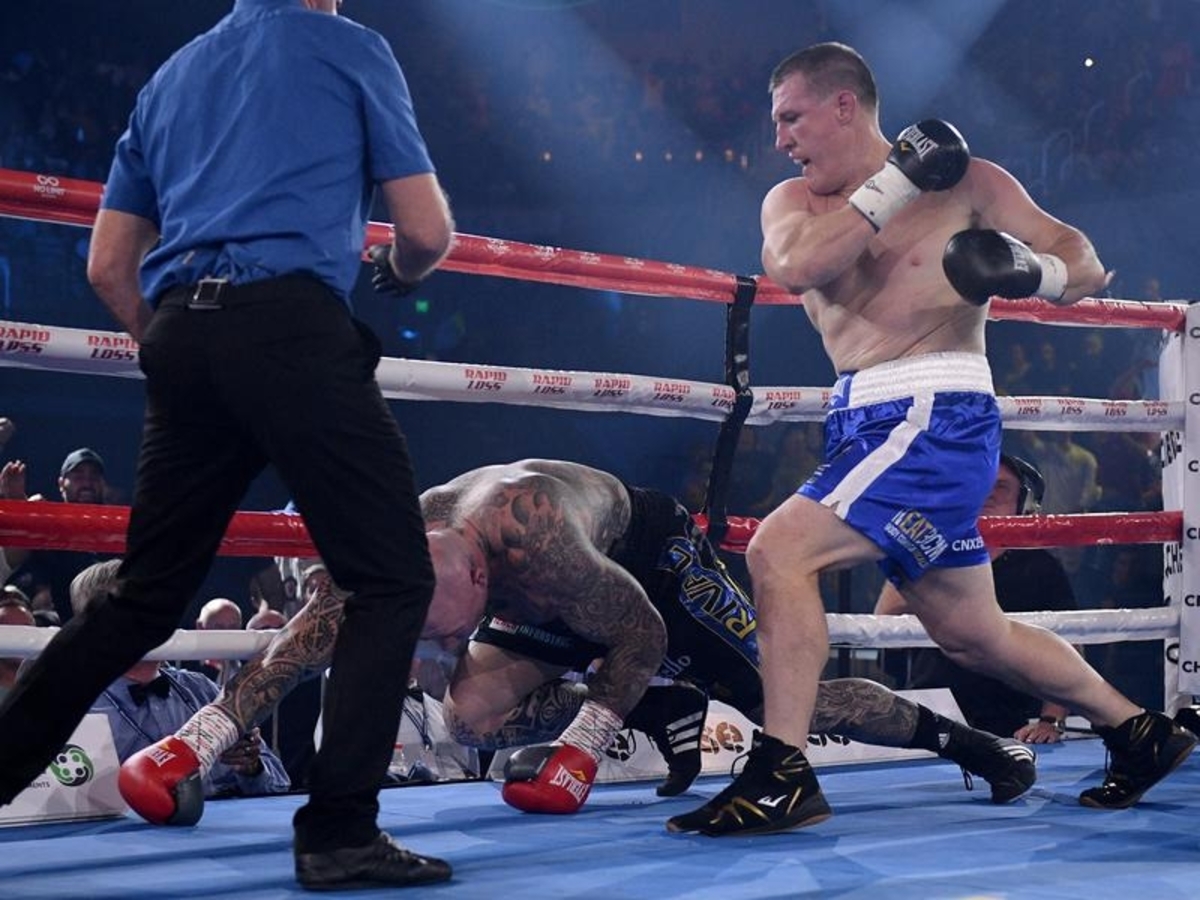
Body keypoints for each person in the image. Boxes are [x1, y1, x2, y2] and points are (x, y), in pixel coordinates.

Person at [669, 41, 1195, 837]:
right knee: (973, 634)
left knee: (779, 552)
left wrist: (1031, 273)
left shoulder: (971, 184)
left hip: (933, 414)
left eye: (792, 117)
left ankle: (781, 774)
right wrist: (895, 182)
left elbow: (1085, 263)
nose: (780, 138)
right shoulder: (794, 202)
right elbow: (796, 266)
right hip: (864, 421)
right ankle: (1138, 731)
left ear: (843, 105)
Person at [0, 0, 454, 891]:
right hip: (291, 329)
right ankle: (339, 834)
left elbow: (106, 266)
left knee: (140, 600)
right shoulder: (350, 47)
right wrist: (396, 273)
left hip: (183, 334)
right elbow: (427, 233)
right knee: (393, 578)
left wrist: (180, 347)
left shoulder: (172, 77)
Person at [118, 459, 1035, 827]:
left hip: (650, 570)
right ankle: (662, 712)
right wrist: (193, 743)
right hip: (555, 601)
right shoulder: (394, 555)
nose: (452, 640)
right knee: (470, 715)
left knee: (780, 701)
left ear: (479, 578)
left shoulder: (541, 541)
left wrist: (581, 751)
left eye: (454, 626)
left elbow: (640, 633)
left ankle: (971, 746)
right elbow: (299, 649)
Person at [877, 454, 1073, 743]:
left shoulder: (1039, 567)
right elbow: (884, 620)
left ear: (1024, 503)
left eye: (1001, 487)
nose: (988, 493)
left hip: (1008, 719)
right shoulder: (931, 553)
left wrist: (1050, 720)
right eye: (981, 482)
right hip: (928, 710)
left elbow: (1070, 641)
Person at [73, 561, 290, 799]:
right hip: (123, 823)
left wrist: (251, 768)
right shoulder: (75, 706)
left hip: (230, 819)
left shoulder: (202, 690)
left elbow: (279, 785)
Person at [6, 448, 115, 623]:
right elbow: (14, 559)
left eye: (94, 477)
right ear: (61, 483)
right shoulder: (44, 522)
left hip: (111, 621)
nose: (87, 483)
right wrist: (18, 504)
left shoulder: (119, 528)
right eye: (78, 476)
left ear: (103, 484)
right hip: (54, 625)